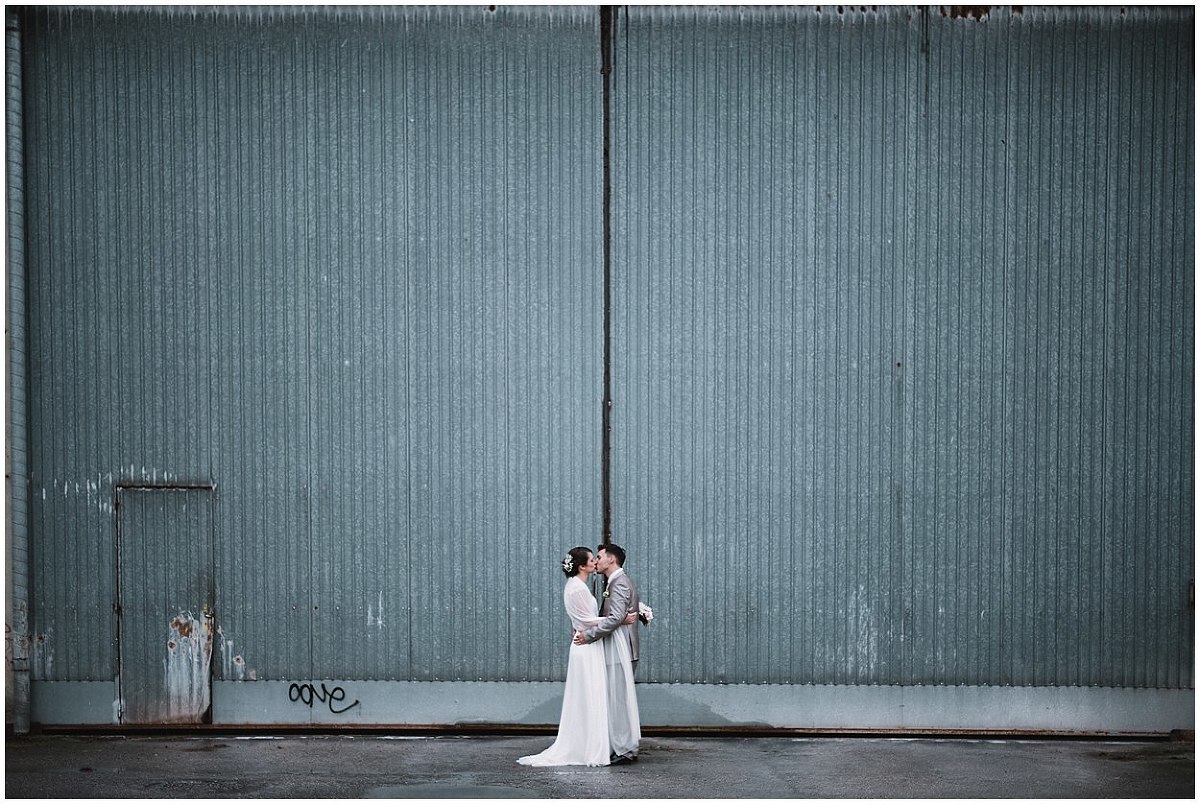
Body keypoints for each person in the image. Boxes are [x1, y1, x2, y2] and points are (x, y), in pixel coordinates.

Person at [517, 547, 612, 767]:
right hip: (585, 645)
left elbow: (582, 619)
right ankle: (587, 748)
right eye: (592, 560)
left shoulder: (576, 585)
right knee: (588, 694)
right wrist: (618, 619)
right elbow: (586, 621)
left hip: (585, 642)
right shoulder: (576, 588)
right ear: (582, 566)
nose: (595, 563)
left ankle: (589, 744)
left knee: (588, 694)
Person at [573, 543, 641, 765]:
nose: (597, 561)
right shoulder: (616, 581)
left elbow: (615, 617)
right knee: (615, 699)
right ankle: (619, 745)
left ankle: (625, 750)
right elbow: (618, 616)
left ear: (611, 559)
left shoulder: (619, 583)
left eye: (600, 556)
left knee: (619, 701)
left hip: (621, 651)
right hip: (616, 650)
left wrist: (588, 635)